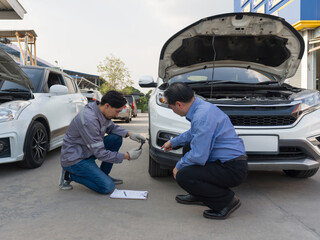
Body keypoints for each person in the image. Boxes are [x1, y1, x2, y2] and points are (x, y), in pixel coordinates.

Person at [161, 82, 248, 220]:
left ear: (179, 104)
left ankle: (227, 201)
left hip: (232, 169)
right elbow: (193, 133)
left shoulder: (202, 116)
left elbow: (199, 156)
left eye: (171, 107)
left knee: (183, 175)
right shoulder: (202, 107)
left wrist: (178, 167)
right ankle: (198, 194)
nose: (173, 111)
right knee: (188, 146)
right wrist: (173, 142)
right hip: (229, 163)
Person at [59, 90, 145, 194]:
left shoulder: (100, 112)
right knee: (107, 187)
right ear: (107, 106)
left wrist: (130, 134)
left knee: (116, 138)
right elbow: (100, 154)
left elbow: (112, 128)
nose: (117, 115)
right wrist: (127, 156)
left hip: (87, 151)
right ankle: (68, 175)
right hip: (75, 159)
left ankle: (103, 174)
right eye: (117, 111)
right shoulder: (89, 119)